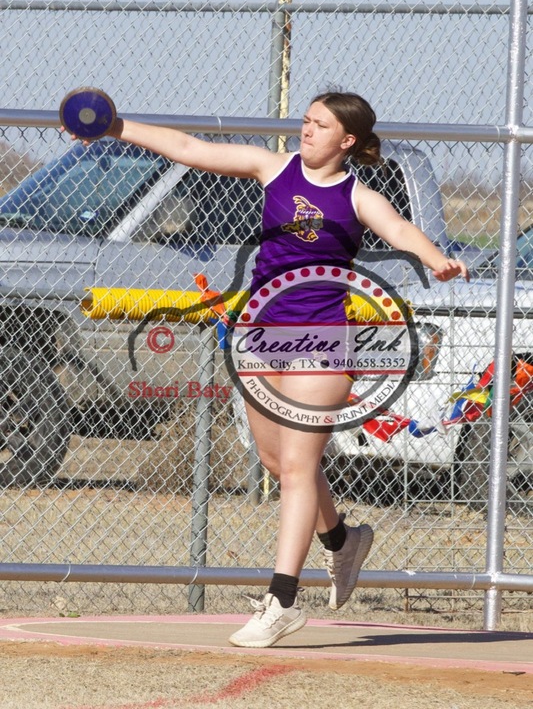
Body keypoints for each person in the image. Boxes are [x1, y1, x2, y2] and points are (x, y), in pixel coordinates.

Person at [65, 91, 469, 648]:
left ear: (346, 141)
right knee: (280, 463)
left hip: (323, 339)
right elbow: (189, 148)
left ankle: (281, 600)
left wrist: (434, 258)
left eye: (319, 125)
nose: (305, 130)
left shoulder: (357, 194)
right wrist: (115, 127)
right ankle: (343, 541)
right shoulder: (273, 168)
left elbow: (399, 230)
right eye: (305, 120)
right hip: (261, 335)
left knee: (300, 467)